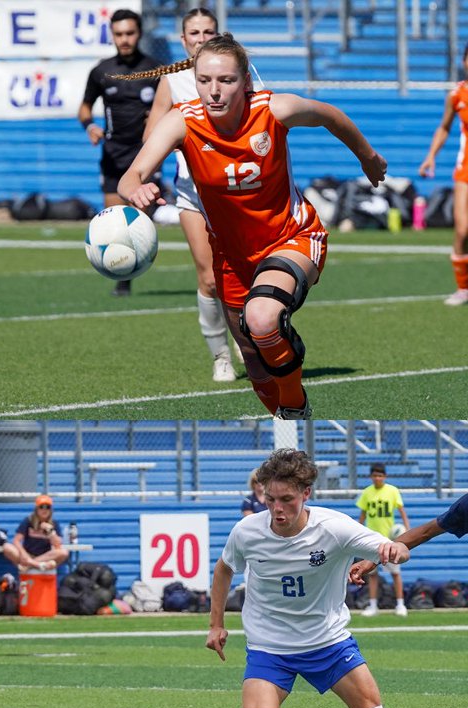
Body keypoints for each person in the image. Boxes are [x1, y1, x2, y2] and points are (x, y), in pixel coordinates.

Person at [119, 34, 387, 418]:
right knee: (251, 354)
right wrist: (136, 189)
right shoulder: (183, 121)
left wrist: (367, 157)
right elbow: (132, 175)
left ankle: (296, 404)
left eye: (225, 81)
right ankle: (285, 415)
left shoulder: (275, 110)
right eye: (204, 80)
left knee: (261, 319)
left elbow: (329, 114)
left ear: (245, 82)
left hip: (292, 237)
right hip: (232, 255)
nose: (214, 91)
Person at [206, 448, 436, 708]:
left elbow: (389, 548)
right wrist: (216, 624)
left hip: (328, 643)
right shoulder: (246, 532)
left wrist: (395, 550)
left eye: (287, 500)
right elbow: (223, 570)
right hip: (270, 646)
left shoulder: (334, 527)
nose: (277, 509)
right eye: (270, 499)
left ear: (306, 494)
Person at [142, 8, 245, 379]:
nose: (201, 38)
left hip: (239, 191)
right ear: (183, 40)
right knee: (210, 278)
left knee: (247, 277)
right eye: (194, 33)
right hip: (195, 193)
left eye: (208, 31)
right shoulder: (173, 80)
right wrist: (152, 168)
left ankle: (246, 340)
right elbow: (151, 134)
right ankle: (221, 357)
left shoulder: (239, 76)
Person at [78, 8, 161, 297]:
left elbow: (169, 110)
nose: (124, 39)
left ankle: (127, 276)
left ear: (139, 34)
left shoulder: (156, 70)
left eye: (130, 33)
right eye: (119, 34)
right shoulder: (101, 71)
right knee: (112, 219)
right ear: (112, 35)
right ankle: (120, 271)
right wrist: (90, 126)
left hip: (144, 155)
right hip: (113, 153)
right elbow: (84, 107)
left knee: (136, 219)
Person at [418, 44, 468, 306]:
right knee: (462, 229)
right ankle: (463, 288)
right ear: (464, 61)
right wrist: (430, 156)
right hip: (465, 170)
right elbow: (444, 127)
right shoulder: (457, 94)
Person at [350, 492, 468, 586]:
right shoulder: (465, 506)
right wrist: (374, 558)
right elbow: (426, 532)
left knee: (396, 574)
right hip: (382, 543)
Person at [356, 462, 409, 617]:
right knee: (372, 574)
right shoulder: (367, 492)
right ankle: (373, 605)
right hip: (371, 539)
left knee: (395, 572)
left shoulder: (392, 491)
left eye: (380, 475)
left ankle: (400, 604)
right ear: (371, 476)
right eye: (375, 475)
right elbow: (363, 515)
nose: (377, 478)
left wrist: (407, 528)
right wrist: (357, 531)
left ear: (385, 476)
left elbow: (402, 511)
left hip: (388, 539)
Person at [1, 495, 70, 573]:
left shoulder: (54, 524)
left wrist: (51, 531)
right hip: (27, 554)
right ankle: (37, 565)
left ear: (51, 510)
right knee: (7, 547)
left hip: (44, 557)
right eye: (41, 507)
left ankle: (28, 566)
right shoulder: (28, 521)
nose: (44, 510)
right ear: (36, 509)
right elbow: (16, 540)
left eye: (47, 507)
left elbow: (58, 545)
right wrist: (24, 554)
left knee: (64, 552)